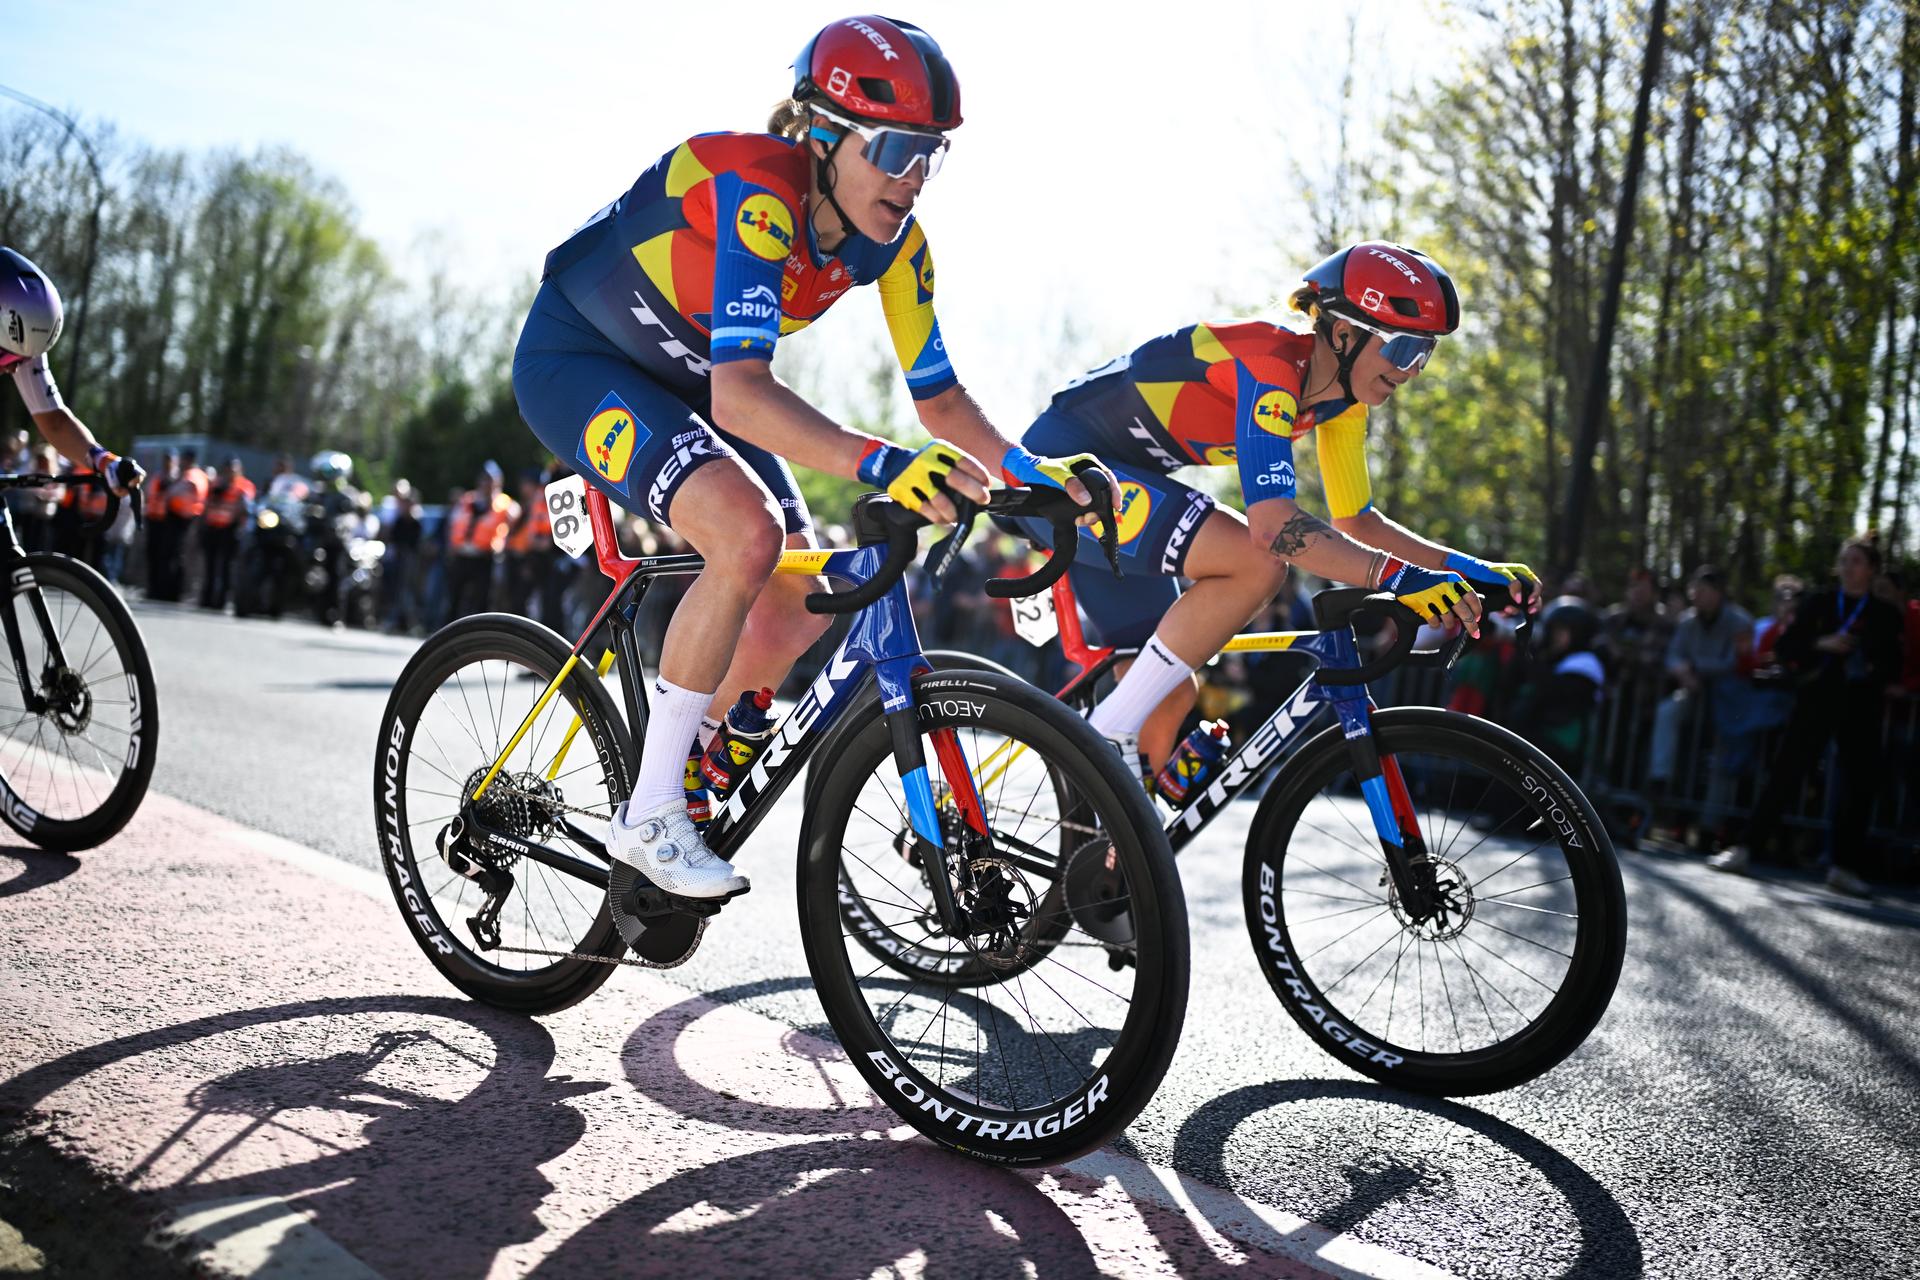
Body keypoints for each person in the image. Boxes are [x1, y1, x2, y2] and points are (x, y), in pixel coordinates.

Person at [511, 16, 1106, 898]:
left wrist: (1033, 476)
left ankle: (688, 763)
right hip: (583, 359)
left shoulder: (897, 246)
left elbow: (939, 400)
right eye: (897, 147)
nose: (912, 178)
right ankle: (647, 815)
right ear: (826, 135)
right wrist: (881, 463)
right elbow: (741, 394)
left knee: (802, 597)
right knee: (746, 537)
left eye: (930, 154)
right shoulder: (759, 191)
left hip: (693, 381)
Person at [1007, 241, 1536, 779]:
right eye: (1404, 350)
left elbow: (1358, 523)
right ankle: (1101, 734)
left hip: (1124, 483)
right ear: (1344, 332)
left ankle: (1112, 851)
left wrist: (1467, 571)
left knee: (1167, 695)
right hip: (1059, 471)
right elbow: (1273, 526)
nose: (1414, 371)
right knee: (1256, 563)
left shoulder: (1341, 402)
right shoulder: (1270, 364)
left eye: (1427, 354)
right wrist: (1402, 579)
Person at [1712, 536, 1904, 894]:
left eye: (1857, 561)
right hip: (1817, 700)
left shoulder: (1885, 614)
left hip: (1862, 705)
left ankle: (1844, 866)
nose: (1848, 567)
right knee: (1785, 772)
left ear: (1872, 569)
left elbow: (1894, 664)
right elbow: (1786, 647)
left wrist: (1870, 662)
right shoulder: (1820, 603)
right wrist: (1822, 643)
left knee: (1858, 784)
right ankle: (1745, 847)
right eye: (1844, 560)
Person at [0, 249, 143, 527]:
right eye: (6, 357)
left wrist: (105, 461)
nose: (14, 368)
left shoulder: (24, 339)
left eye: (23, 360)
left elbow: (53, 420)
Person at [1645, 565, 1752, 840]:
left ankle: (1709, 824)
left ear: (1718, 592)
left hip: (1728, 698)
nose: (1697, 595)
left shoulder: (1740, 622)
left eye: (1703, 590)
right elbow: (1673, 656)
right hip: (1693, 692)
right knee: (1668, 711)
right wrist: (1682, 671)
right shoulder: (1687, 622)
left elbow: (1734, 662)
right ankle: (1659, 777)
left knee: (1722, 755)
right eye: (1695, 589)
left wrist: (1694, 667)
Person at [444, 461, 517, 620]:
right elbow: (454, 522)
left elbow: (515, 516)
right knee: (455, 597)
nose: (486, 483)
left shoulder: (503, 503)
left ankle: (479, 635)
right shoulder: (468, 499)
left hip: (484, 557)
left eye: (490, 480)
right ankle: (449, 632)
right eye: (484, 479)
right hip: (462, 555)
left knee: (482, 599)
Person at [199, 456, 255, 609]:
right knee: (210, 566)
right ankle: (206, 599)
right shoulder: (217, 484)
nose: (229, 472)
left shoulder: (244, 486)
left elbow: (246, 508)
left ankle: (221, 601)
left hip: (230, 530)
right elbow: (207, 504)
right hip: (213, 528)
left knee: (226, 567)